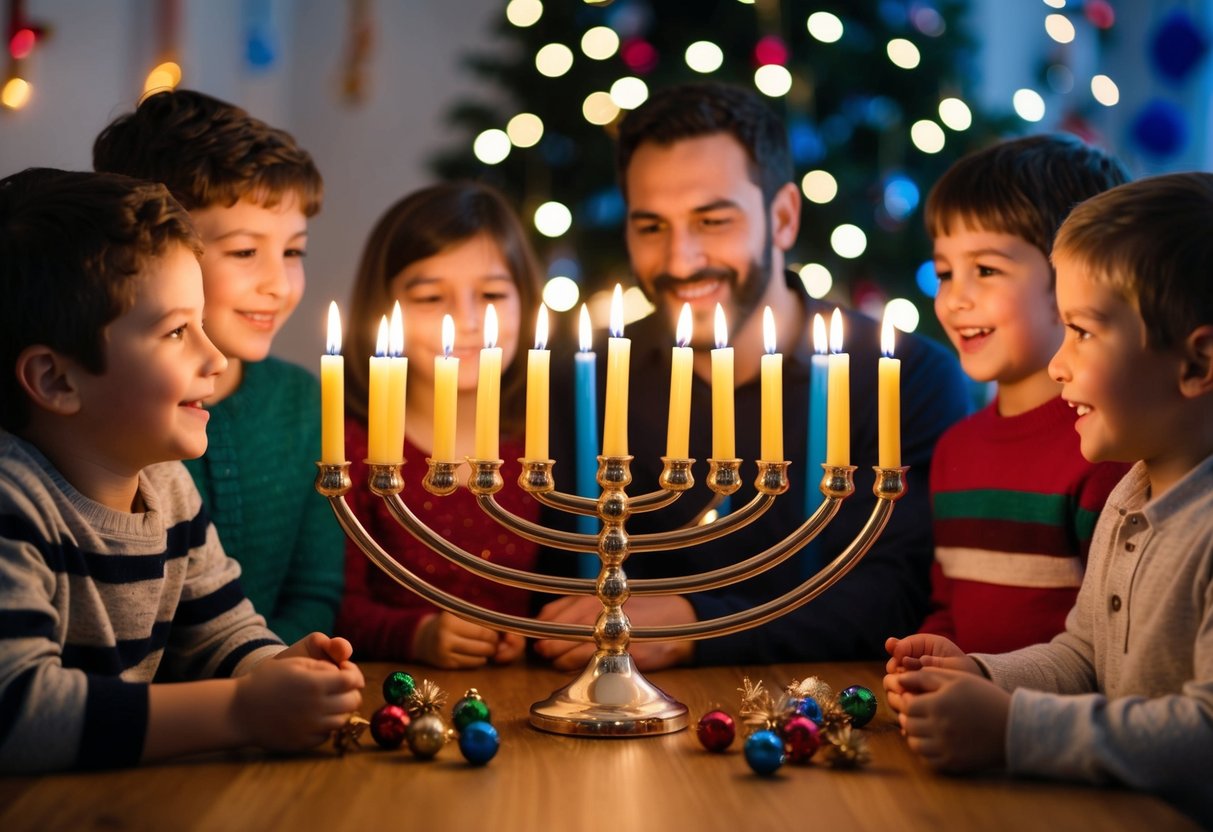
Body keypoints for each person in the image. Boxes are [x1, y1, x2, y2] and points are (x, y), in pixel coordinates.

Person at [535, 81, 971, 670]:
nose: (680, 260)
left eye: (713, 221)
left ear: (784, 217)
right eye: (651, 227)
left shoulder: (905, 378)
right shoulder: (588, 378)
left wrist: (696, 623)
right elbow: (558, 585)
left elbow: (898, 598)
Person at [0, 168, 363, 772]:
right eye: (176, 331)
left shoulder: (166, 487)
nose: (214, 357)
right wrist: (241, 711)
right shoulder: (14, 504)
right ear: (56, 380)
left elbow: (218, 633)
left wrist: (276, 668)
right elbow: (16, 713)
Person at [884, 173, 1213, 826]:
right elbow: (1081, 657)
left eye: (1082, 333)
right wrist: (982, 674)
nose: (1057, 364)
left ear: (1197, 364)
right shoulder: (1132, 493)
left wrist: (1012, 728)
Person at [92, 89, 344, 645]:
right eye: (244, 252)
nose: (278, 284)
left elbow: (317, 590)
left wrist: (268, 677)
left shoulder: (303, 403)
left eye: (294, 251)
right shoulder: (104, 418)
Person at [919, 135, 1132, 653]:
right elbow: (948, 606)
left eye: (986, 270)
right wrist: (931, 658)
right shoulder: (956, 450)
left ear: (1073, 279)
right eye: (946, 273)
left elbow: (1112, 644)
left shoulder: (1105, 449)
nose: (955, 299)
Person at [336, 182, 543, 669]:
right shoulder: (353, 448)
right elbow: (331, 605)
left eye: (492, 293)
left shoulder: (553, 444)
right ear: (383, 312)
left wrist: (532, 634)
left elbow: (582, 587)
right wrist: (417, 635)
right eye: (430, 298)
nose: (466, 320)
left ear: (526, 302)